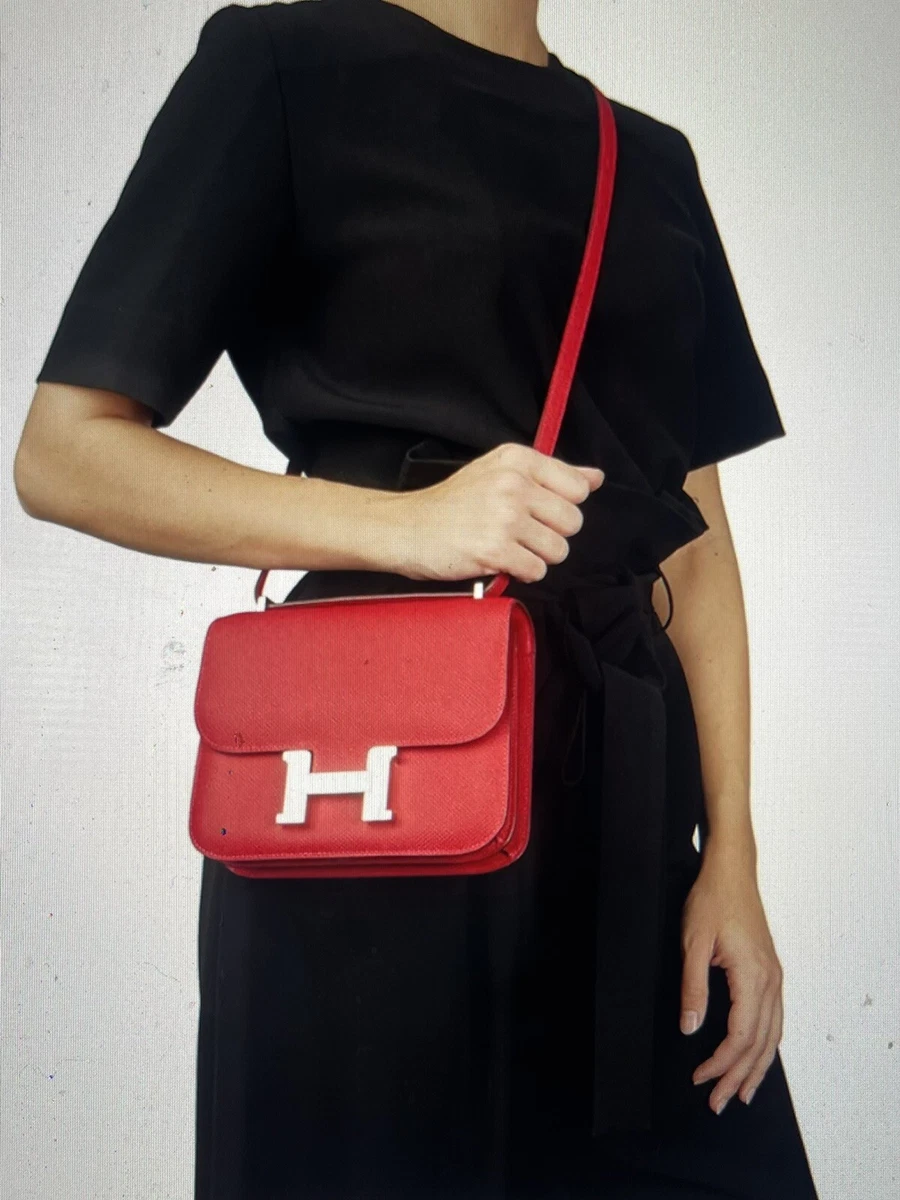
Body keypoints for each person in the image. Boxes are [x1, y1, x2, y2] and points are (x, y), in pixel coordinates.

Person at [15, 1, 821, 1196]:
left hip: (628, 803)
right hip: (378, 790)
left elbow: (697, 545)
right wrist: (404, 525)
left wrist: (733, 857)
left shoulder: (650, 161)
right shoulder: (284, 64)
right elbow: (64, 453)